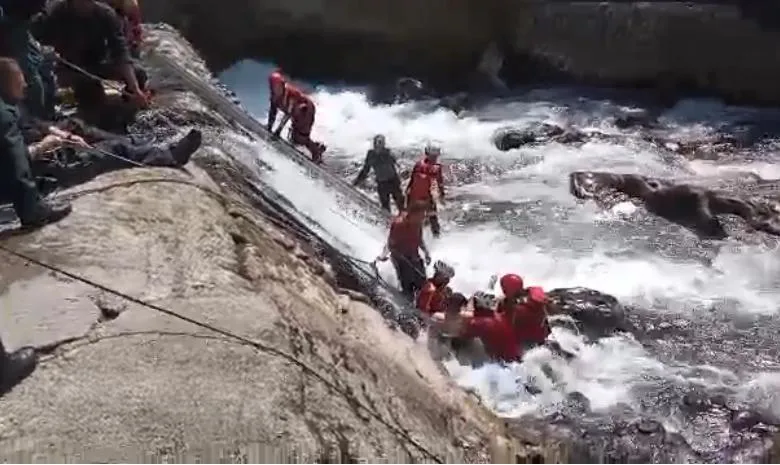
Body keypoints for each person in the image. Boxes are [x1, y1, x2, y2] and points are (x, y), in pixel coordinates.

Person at [32, 0, 150, 119]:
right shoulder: (55, 11)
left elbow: (121, 53)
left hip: (97, 64)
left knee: (138, 73)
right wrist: (46, 51)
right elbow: (35, 36)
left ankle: (129, 104)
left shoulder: (105, 14)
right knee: (94, 105)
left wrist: (135, 89)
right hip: (69, 69)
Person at [0, 57, 71, 228]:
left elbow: (28, 121)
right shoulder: (4, 116)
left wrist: (54, 133)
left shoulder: (8, 106)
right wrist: (42, 147)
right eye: (19, 79)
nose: (25, 84)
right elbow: (15, 164)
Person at [0, 0, 58, 120]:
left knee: (40, 65)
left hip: (19, 19)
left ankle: (42, 115)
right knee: (30, 73)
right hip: (13, 21)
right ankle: (38, 118)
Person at [266, 70, 326, 164]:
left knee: (299, 137)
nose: (276, 89)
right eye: (274, 87)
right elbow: (272, 112)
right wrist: (269, 128)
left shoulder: (289, 95)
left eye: (278, 86)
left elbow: (288, 114)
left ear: (282, 85)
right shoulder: (274, 96)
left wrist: (278, 131)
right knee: (294, 138)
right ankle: (316, 146)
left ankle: (316, 152)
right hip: (296, 112)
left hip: (306, 109)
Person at [377, 200, 431, 299]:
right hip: (400, 258)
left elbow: (419, 239)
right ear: (413, 214)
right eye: (421, 215)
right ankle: (406, 299)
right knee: (407, 283)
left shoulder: (418, 224)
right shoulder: (399, 225)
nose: (423, 218)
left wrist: (426, 253)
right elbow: (390, 244)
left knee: (422, 282)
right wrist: (382, 256)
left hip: (414, 256)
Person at [352, 134, 405, 213]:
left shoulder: (388, 152)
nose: (380, 144)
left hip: (393, 181)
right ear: (374, 143)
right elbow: (366, 169)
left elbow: (397, 163)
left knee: (401, 204)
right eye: (378, 142)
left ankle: (406, 218)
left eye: (382, 142)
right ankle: (388, 219)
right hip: (382, 184)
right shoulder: (371, 154)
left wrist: (402, 170)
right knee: (385, 207)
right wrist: (357, 182)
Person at [406, 144, 445, 237]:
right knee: (428, 216)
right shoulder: (423, 165)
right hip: (420, 196)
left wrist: (442, 195)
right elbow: (412, 179)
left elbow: (439, 183)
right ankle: (416, 235)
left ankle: (435, 235)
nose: (435, 158)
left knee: (431, 217)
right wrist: (442, 195)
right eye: (434, 156)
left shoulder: (421, 164)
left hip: (423, 195)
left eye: (436, 156)